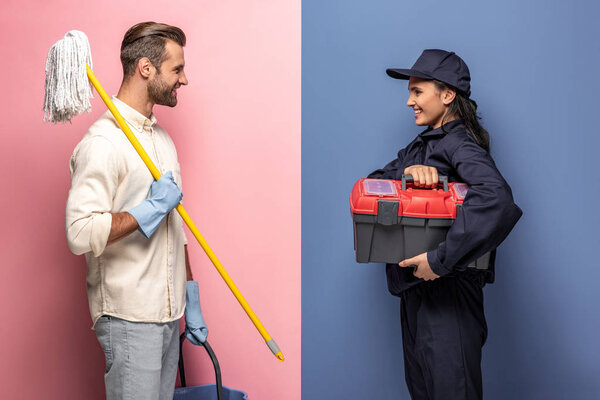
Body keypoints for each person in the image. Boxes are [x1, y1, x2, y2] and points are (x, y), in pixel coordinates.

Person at [368, 49, 523, 400]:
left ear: (448, 94)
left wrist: (439, 261)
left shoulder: (459, 144)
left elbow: (496, 199)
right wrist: (409, 175)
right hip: (415, 294)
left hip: (448, 297)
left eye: (417, 91)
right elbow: (372, 184)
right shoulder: (418, 148)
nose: (410, 101)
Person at [65, 22, 208, 400]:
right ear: (147, 68)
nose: (184, 79)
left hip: (168, 314)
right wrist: (148, 210)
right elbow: (79, 232)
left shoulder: (161, 140)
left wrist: (190, 297)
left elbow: (175, 226)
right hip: (129, 318)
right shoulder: (103, 143)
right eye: (177, 69)